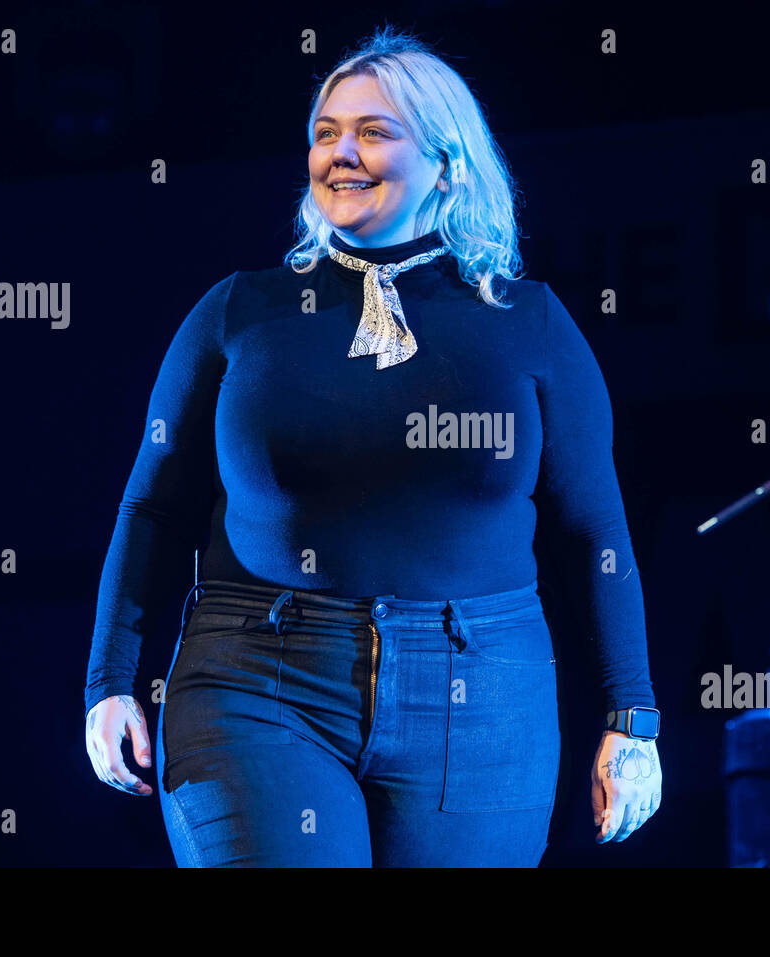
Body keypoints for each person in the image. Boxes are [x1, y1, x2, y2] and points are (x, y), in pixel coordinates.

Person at [83, 25, 661, 867]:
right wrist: (110, 683)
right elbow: (153, 508)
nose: (340, 153)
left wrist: (632, 716)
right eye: (325, 133)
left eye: (373, 131)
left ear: (446, 160)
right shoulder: (239, 313)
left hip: (483, 695)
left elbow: (594, 533)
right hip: (257, 682)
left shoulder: (529, 324)